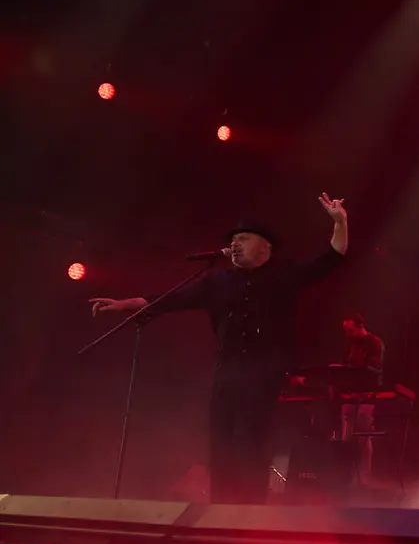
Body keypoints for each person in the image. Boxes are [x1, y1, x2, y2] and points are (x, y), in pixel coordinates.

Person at [89, 194, 349, 504]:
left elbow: (331, 258)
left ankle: (251, 508)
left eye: (243, 238)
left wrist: (339, 221)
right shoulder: (218, 281)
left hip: (266, 371)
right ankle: (221, 505)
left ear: (264, 246)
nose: (236, 244)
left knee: (255, 437)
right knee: (221, 438)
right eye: (234, 240)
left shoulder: (284, 274)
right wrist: (124, 305)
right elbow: (171, 299)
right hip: (227, 370)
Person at [341, 313, 383, 487]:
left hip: (367, 395)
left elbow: (374, 368)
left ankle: (364, 479)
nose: (347, 334)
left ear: (360, 326)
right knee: (346, 436)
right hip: (349, 395)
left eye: (350, 330)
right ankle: (348, 477)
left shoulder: (375, 343)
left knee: (363, 437)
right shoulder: (351, 344)